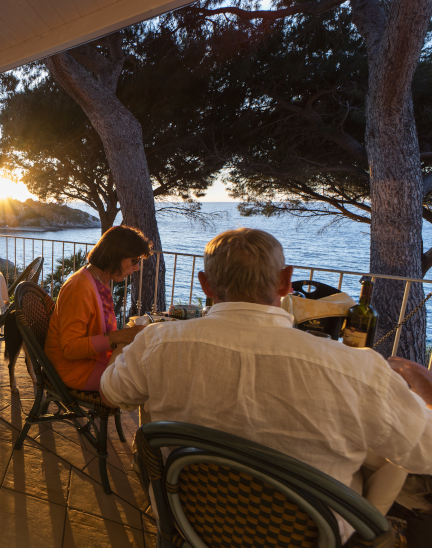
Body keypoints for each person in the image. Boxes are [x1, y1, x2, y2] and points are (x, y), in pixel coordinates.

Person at [100, 228, 432, 537]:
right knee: (387, 459)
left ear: (205, 284)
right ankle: (368, 537)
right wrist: (427, 390)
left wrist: (125, 349)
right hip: (305, 536)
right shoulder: (356, 368)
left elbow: (112, 393)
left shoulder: (157, 342)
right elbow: (425, 454)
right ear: (286, 281)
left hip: (191, 520)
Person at [44, 226, 151, 391]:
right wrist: (121, 336)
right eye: (134, 261)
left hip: (93, 360)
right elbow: (69, 348)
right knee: (146, 382)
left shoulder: (99, 281)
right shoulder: (79, 288)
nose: (137, 267)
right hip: (74, 369)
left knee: (150, 367)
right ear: (115, 256)